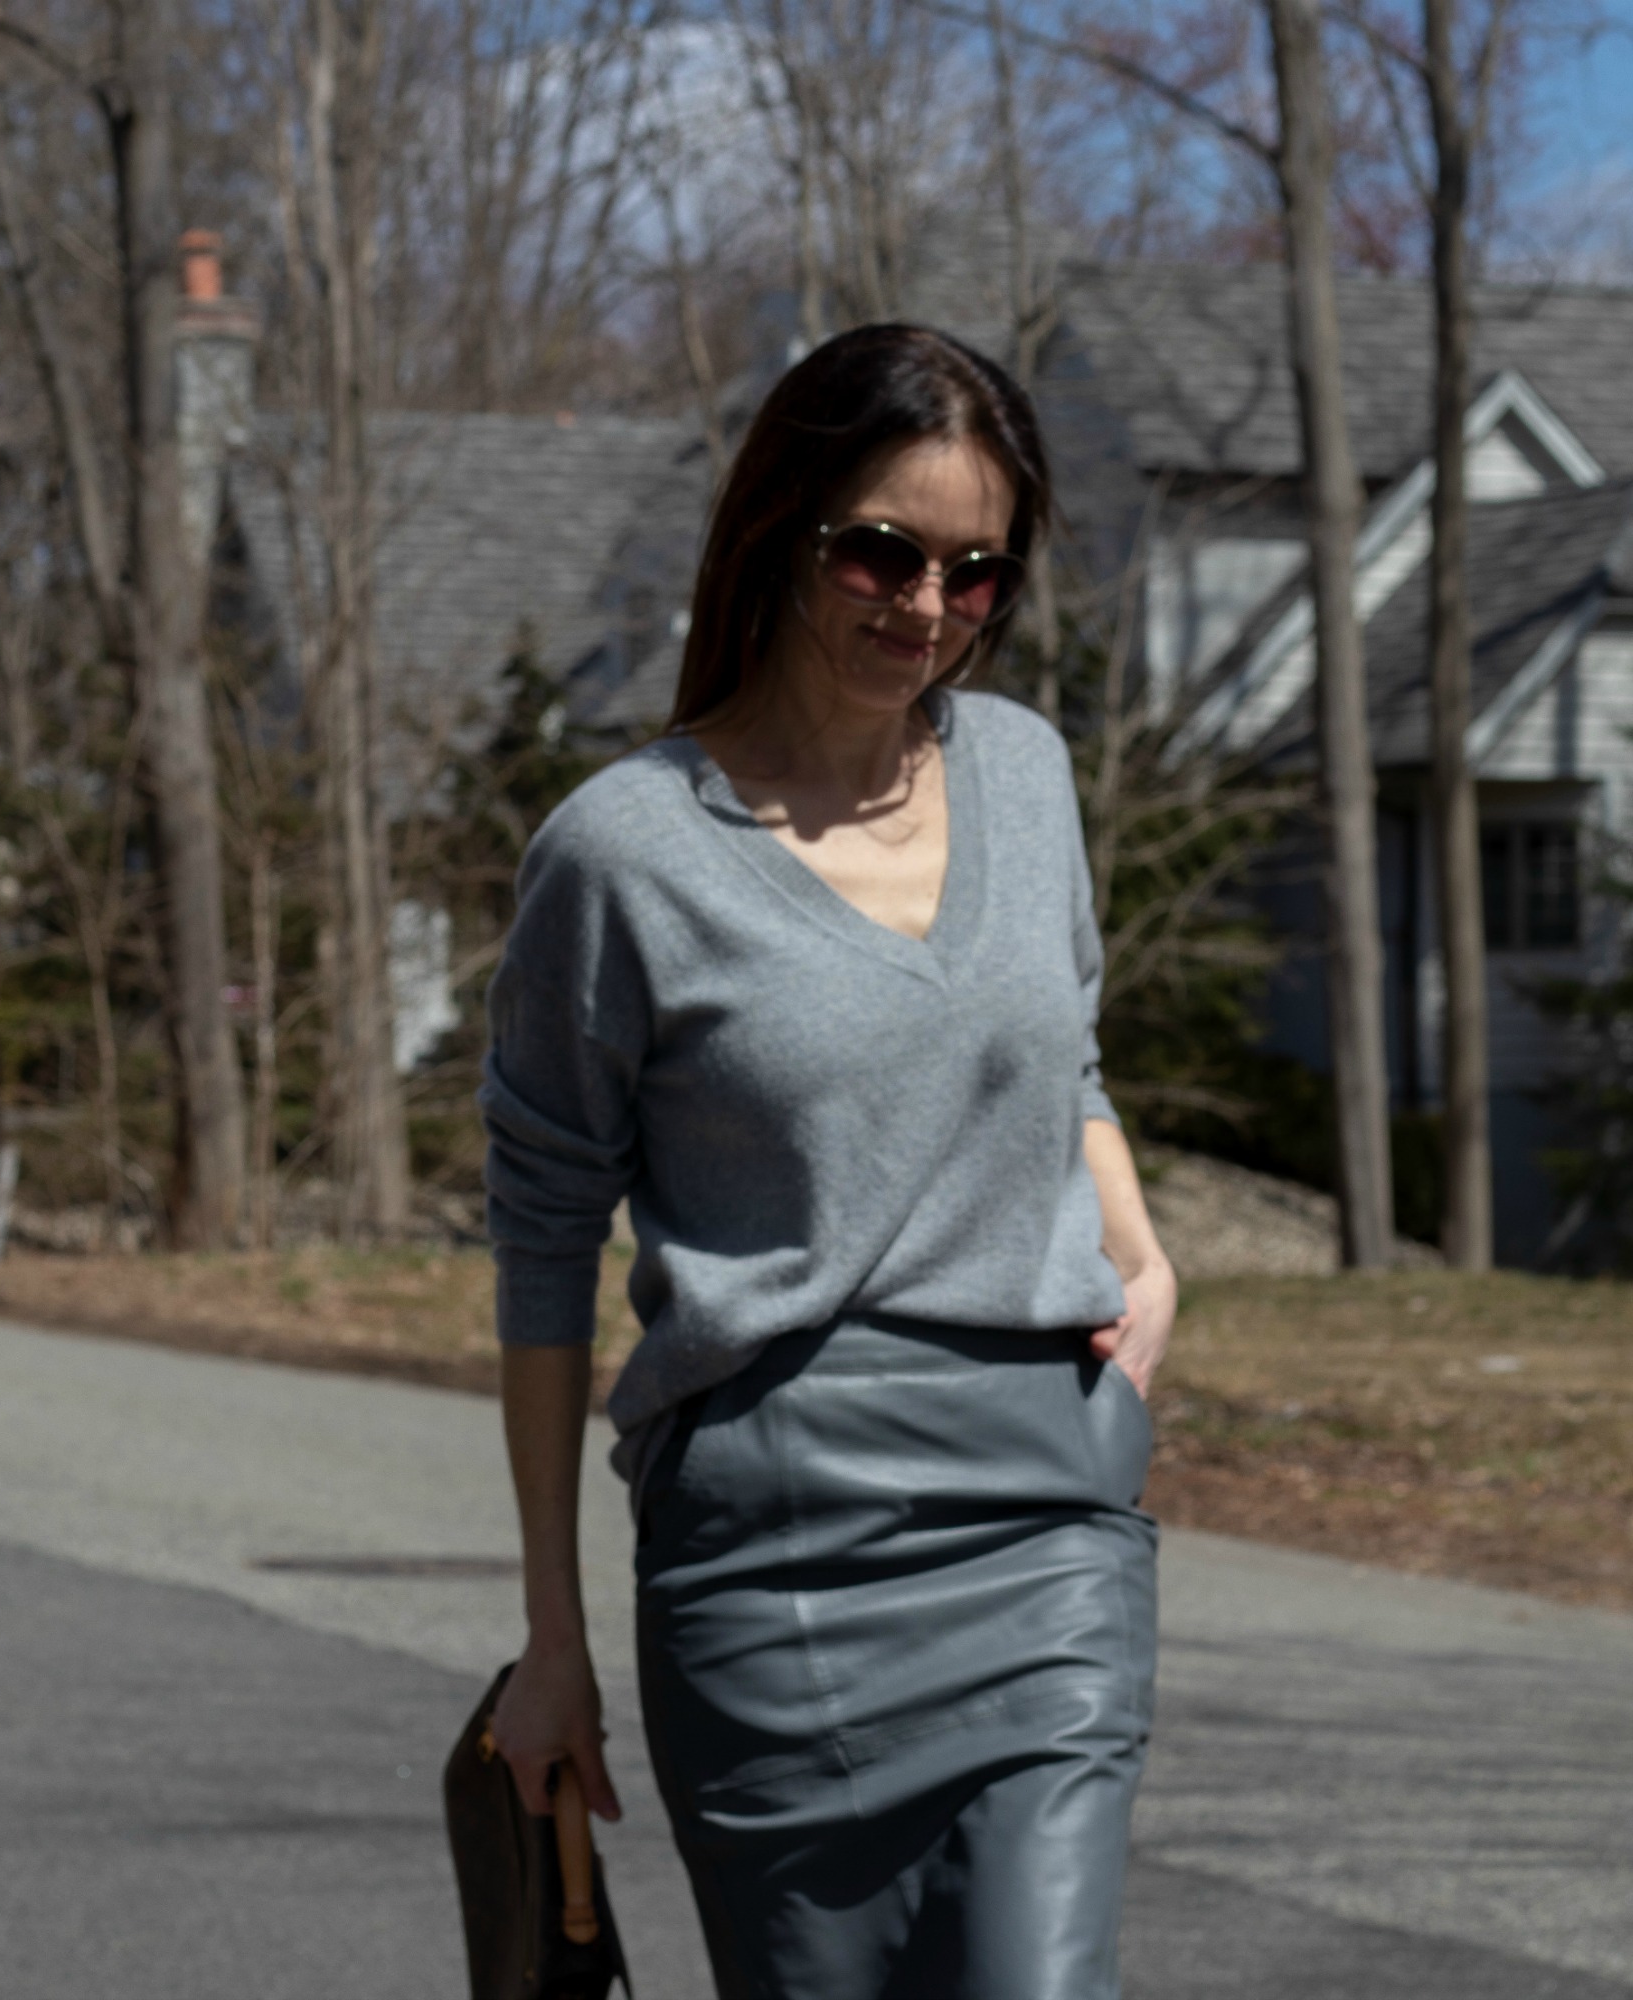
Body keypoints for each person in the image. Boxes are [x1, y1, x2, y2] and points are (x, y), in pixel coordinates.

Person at [480, 321, 1175, 2000]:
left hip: (1041, 1519)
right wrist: (554, 1648)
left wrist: (1142, 1254)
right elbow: (542, 1244)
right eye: (880, 551)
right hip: (773, 1549)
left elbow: (1058, 1050)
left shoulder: (1029, 773)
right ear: (783, 529)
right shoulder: (624, 853)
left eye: (975, 573)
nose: (924, 608)